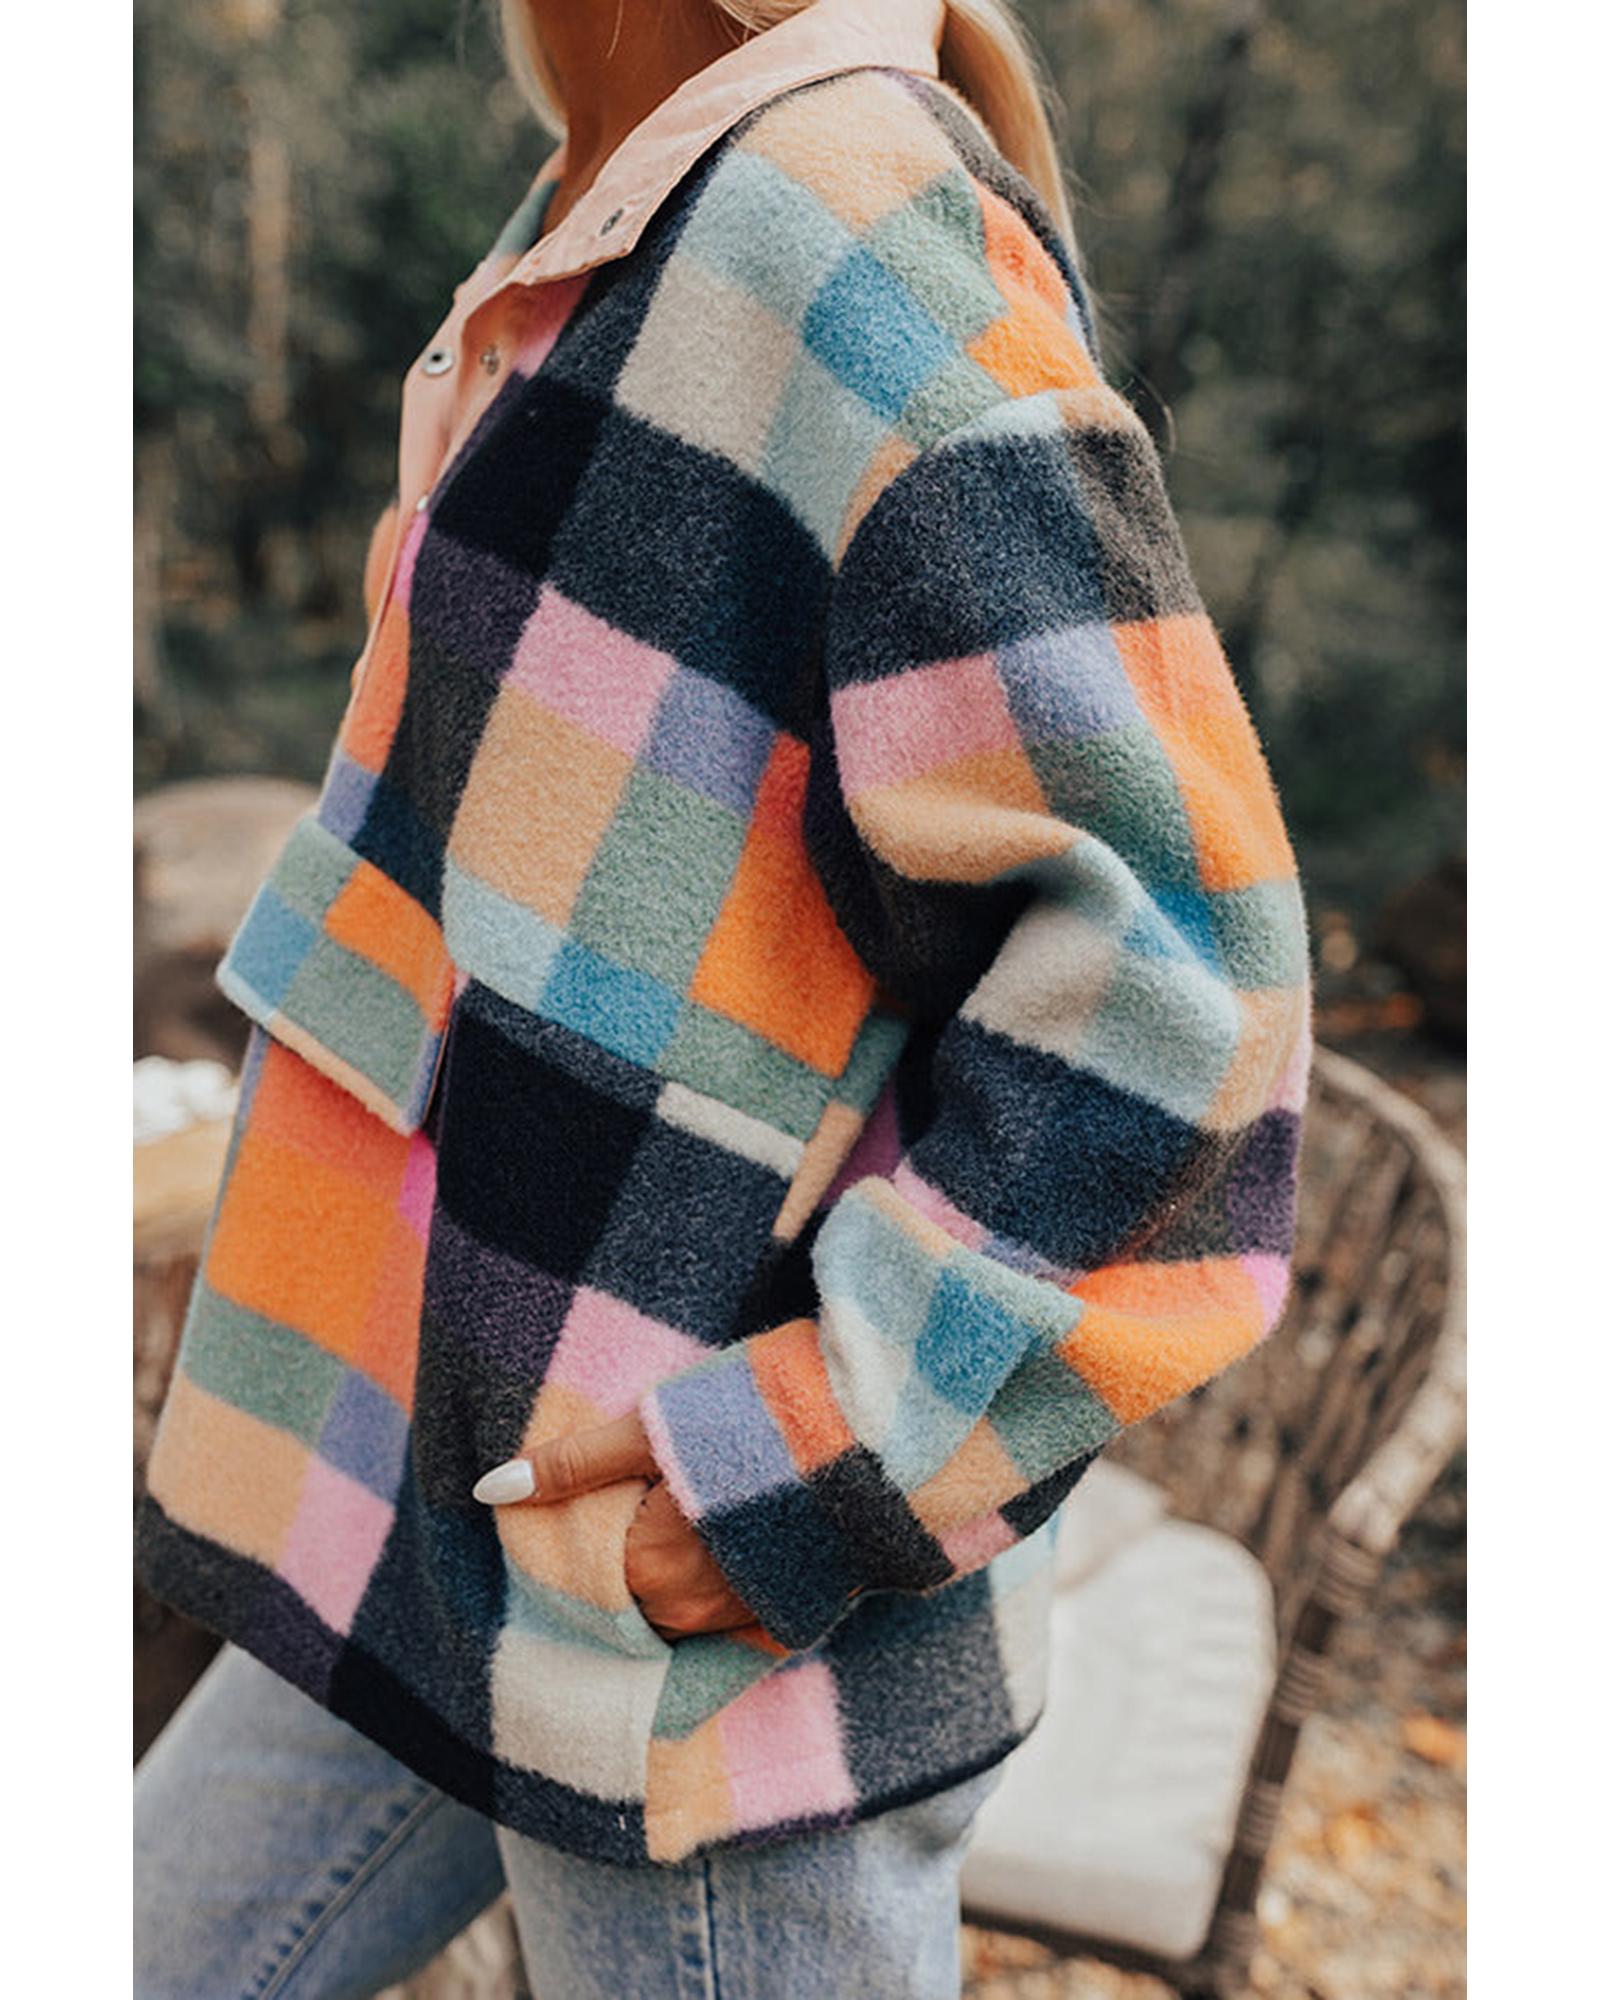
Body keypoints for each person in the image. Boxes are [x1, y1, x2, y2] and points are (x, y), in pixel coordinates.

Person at [133, 2, 1314, 1994]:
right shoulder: (632, 189)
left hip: (679, 1642)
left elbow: (1189, 999)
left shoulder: (842, 225)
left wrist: (795, 1480)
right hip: (426, 1496)